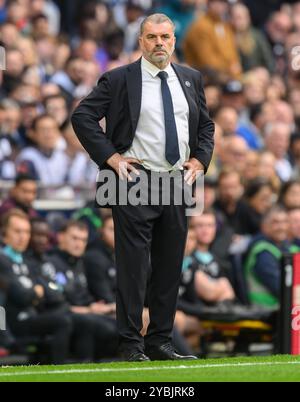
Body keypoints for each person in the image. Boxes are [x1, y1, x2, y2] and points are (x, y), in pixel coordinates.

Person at [72, 13, 215, 362]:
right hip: (133, 178)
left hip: (177, 180)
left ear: (174, 41)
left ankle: (161, 342)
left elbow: (206, 128)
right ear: (141, 41)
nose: (159, 44)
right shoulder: (121, 78)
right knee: (134, 267)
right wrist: (111, 158)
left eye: (165, 37)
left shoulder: (191, 79)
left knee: (169, 267)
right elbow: (82, 116)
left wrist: (199, 160)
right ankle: (131, 345)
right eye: (152, 37)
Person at [0, 209, 72, 364]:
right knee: (62, 321)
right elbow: (20, 295)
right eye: (17, 231)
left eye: (26, 232)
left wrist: (34, 294)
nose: (22, 236)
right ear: (4, 234)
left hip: (32, 315)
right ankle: (58, 370)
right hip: (14, 323)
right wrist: (34, 293)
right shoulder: (2, 260)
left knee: (71, 316)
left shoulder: (25, 260)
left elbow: (43, 292)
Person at [48, 220, 119, 361]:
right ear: (60, 237)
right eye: (74, 238)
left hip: (90, 313)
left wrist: (97, 307)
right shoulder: (50, 263)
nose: (79, 244)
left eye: (83, 240)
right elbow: (55, 303)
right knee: (103, 325)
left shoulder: (80, 263)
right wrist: (89, 310)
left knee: (127, 323)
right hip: (67, 317)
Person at [244, 206, 290, 309]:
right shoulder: (263, 252)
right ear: (264, 225)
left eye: (284, 222)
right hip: (266, 310)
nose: (281, 227)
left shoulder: (284, 247)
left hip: (279, 309)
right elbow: (281, 288)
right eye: (275, 222)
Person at [183, 0, 242, 81]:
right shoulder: (201, 26)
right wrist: (229, 69)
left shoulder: (225, 25)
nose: (220, 5)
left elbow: (232, 53)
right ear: (209, 3)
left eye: (223, 2)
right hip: (204, 78)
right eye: (217, 2)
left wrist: (234, 67)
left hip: (226, 76)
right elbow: (207, 61)